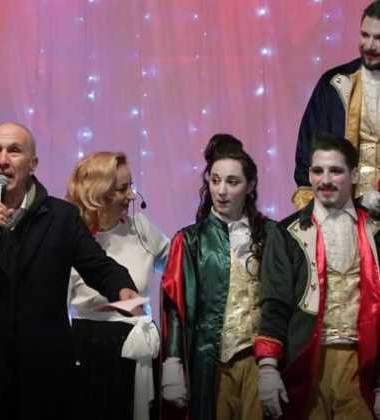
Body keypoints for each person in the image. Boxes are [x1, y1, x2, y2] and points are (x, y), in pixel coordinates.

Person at [0, 122, 138, 420]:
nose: (2, 160)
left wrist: (122, 287)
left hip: (42, 374)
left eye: (14, 151)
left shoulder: (61, 217)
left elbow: (97, 265)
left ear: (33, 164)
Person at [255, 132, 380, 419]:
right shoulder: (286, 233)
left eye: (335, 171)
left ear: (354, 174)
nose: (325, 180)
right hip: (307, 363)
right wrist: (268, 368)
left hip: (361, 365)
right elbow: (275, 304)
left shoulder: (376, 232)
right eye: (317, 171)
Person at [161, 134, 275, 420]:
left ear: (250, 186)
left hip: (257, 359)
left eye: (232, 182)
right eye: (215, 180)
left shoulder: (271, 235)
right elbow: (175, 306)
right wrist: (173, 363)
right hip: (210, 362)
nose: (221, 191)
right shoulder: (190, 240)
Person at [65, 151, 168, 420]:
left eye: (130, 186)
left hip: (139, 348)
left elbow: (179, 269)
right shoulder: (71, 238)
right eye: (122, 189)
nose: (131, 196)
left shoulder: (142, 229)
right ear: (97, 194)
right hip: (90, 352)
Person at [293, 1, 380, 208]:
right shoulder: (333, 85)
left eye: (378, 38)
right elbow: (308, 156)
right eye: (365, 35)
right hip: (343, 213)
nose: (369, 45)